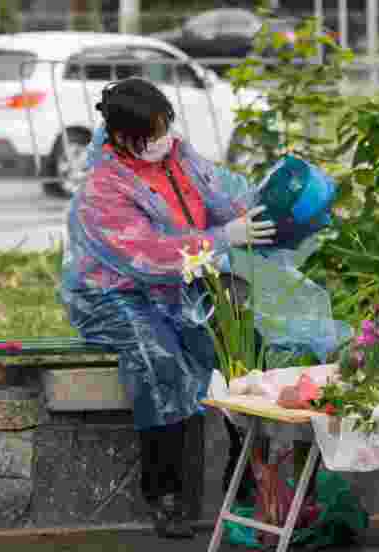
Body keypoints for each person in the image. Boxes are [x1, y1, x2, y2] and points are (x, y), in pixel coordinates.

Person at [60, 77, 277, 539]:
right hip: (113, 294)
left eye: (165, 127)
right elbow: (147, 256)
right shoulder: (103, 189)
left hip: (183, 283)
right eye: (152, 134)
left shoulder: (177, 156)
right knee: (161, 363)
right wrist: (224, 239)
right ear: (121, 137)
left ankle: (248, 483)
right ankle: (166, 495)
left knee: (247, 352)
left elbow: (220, 196)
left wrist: (261, 212)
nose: (163, 140)